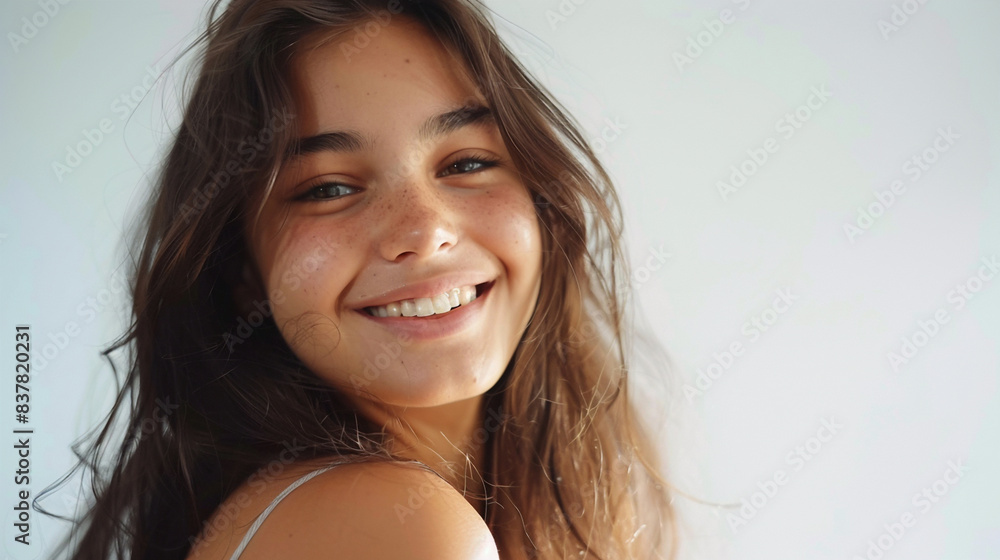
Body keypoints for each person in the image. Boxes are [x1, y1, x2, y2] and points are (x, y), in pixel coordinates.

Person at [51, 0, 675, 558]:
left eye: (467, 162)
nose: (424, 231)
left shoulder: (554, 496)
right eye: (328, 189)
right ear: (241, 270)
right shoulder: (398, 530)